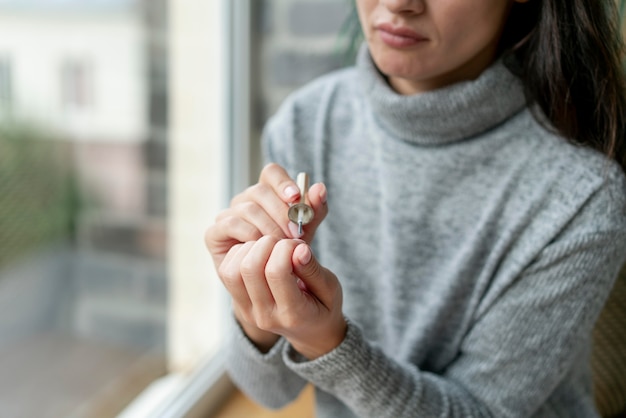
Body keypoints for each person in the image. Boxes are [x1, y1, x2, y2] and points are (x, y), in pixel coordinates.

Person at [205, 0, 626, 416]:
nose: (398, 3)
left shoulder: (581, 194)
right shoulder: (306, 123)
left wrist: (327, 343)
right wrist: (252, 304)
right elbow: (269, 389)